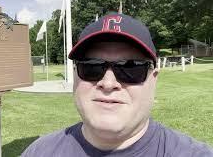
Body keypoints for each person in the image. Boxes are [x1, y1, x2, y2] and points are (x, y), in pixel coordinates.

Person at [21, 13, 213, 157]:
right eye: (92, 67)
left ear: (153, 81)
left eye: (131, 68)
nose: (108, 83)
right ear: (75, 77)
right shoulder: (38, 152)